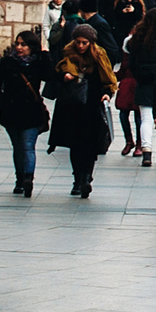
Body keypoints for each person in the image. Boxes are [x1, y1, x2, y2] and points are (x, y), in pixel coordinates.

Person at [49, 20, 117, 198]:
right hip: (72, 106)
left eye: (84, 43)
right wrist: (64, 76)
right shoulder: (68, 55)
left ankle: (86, 177)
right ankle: (77, 179)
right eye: (78, 42)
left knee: (90, 144)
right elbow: (55, 74)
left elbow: (108, 79)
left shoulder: (99, 56)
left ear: (91, 43)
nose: (80, 46)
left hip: (92, 105)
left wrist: (107, 94)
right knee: (75, 145)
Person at [0, 30, 51, 198]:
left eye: (23, 44)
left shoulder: (38, 62)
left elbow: (50, 75)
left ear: (32, 46)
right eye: (17, 43)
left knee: (27, 145)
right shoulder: (8, 62)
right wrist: (2, 104)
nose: (19, 47)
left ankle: (28, 179)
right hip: (12, 111)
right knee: (18, 147)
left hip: (31, 111)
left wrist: (45, 55)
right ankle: (20, 179)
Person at [124, 4, 156, 162]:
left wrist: (139, 76)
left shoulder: (138, 40)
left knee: (146, 119)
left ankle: (146, 151)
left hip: (144, 83)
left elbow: (132, 63)